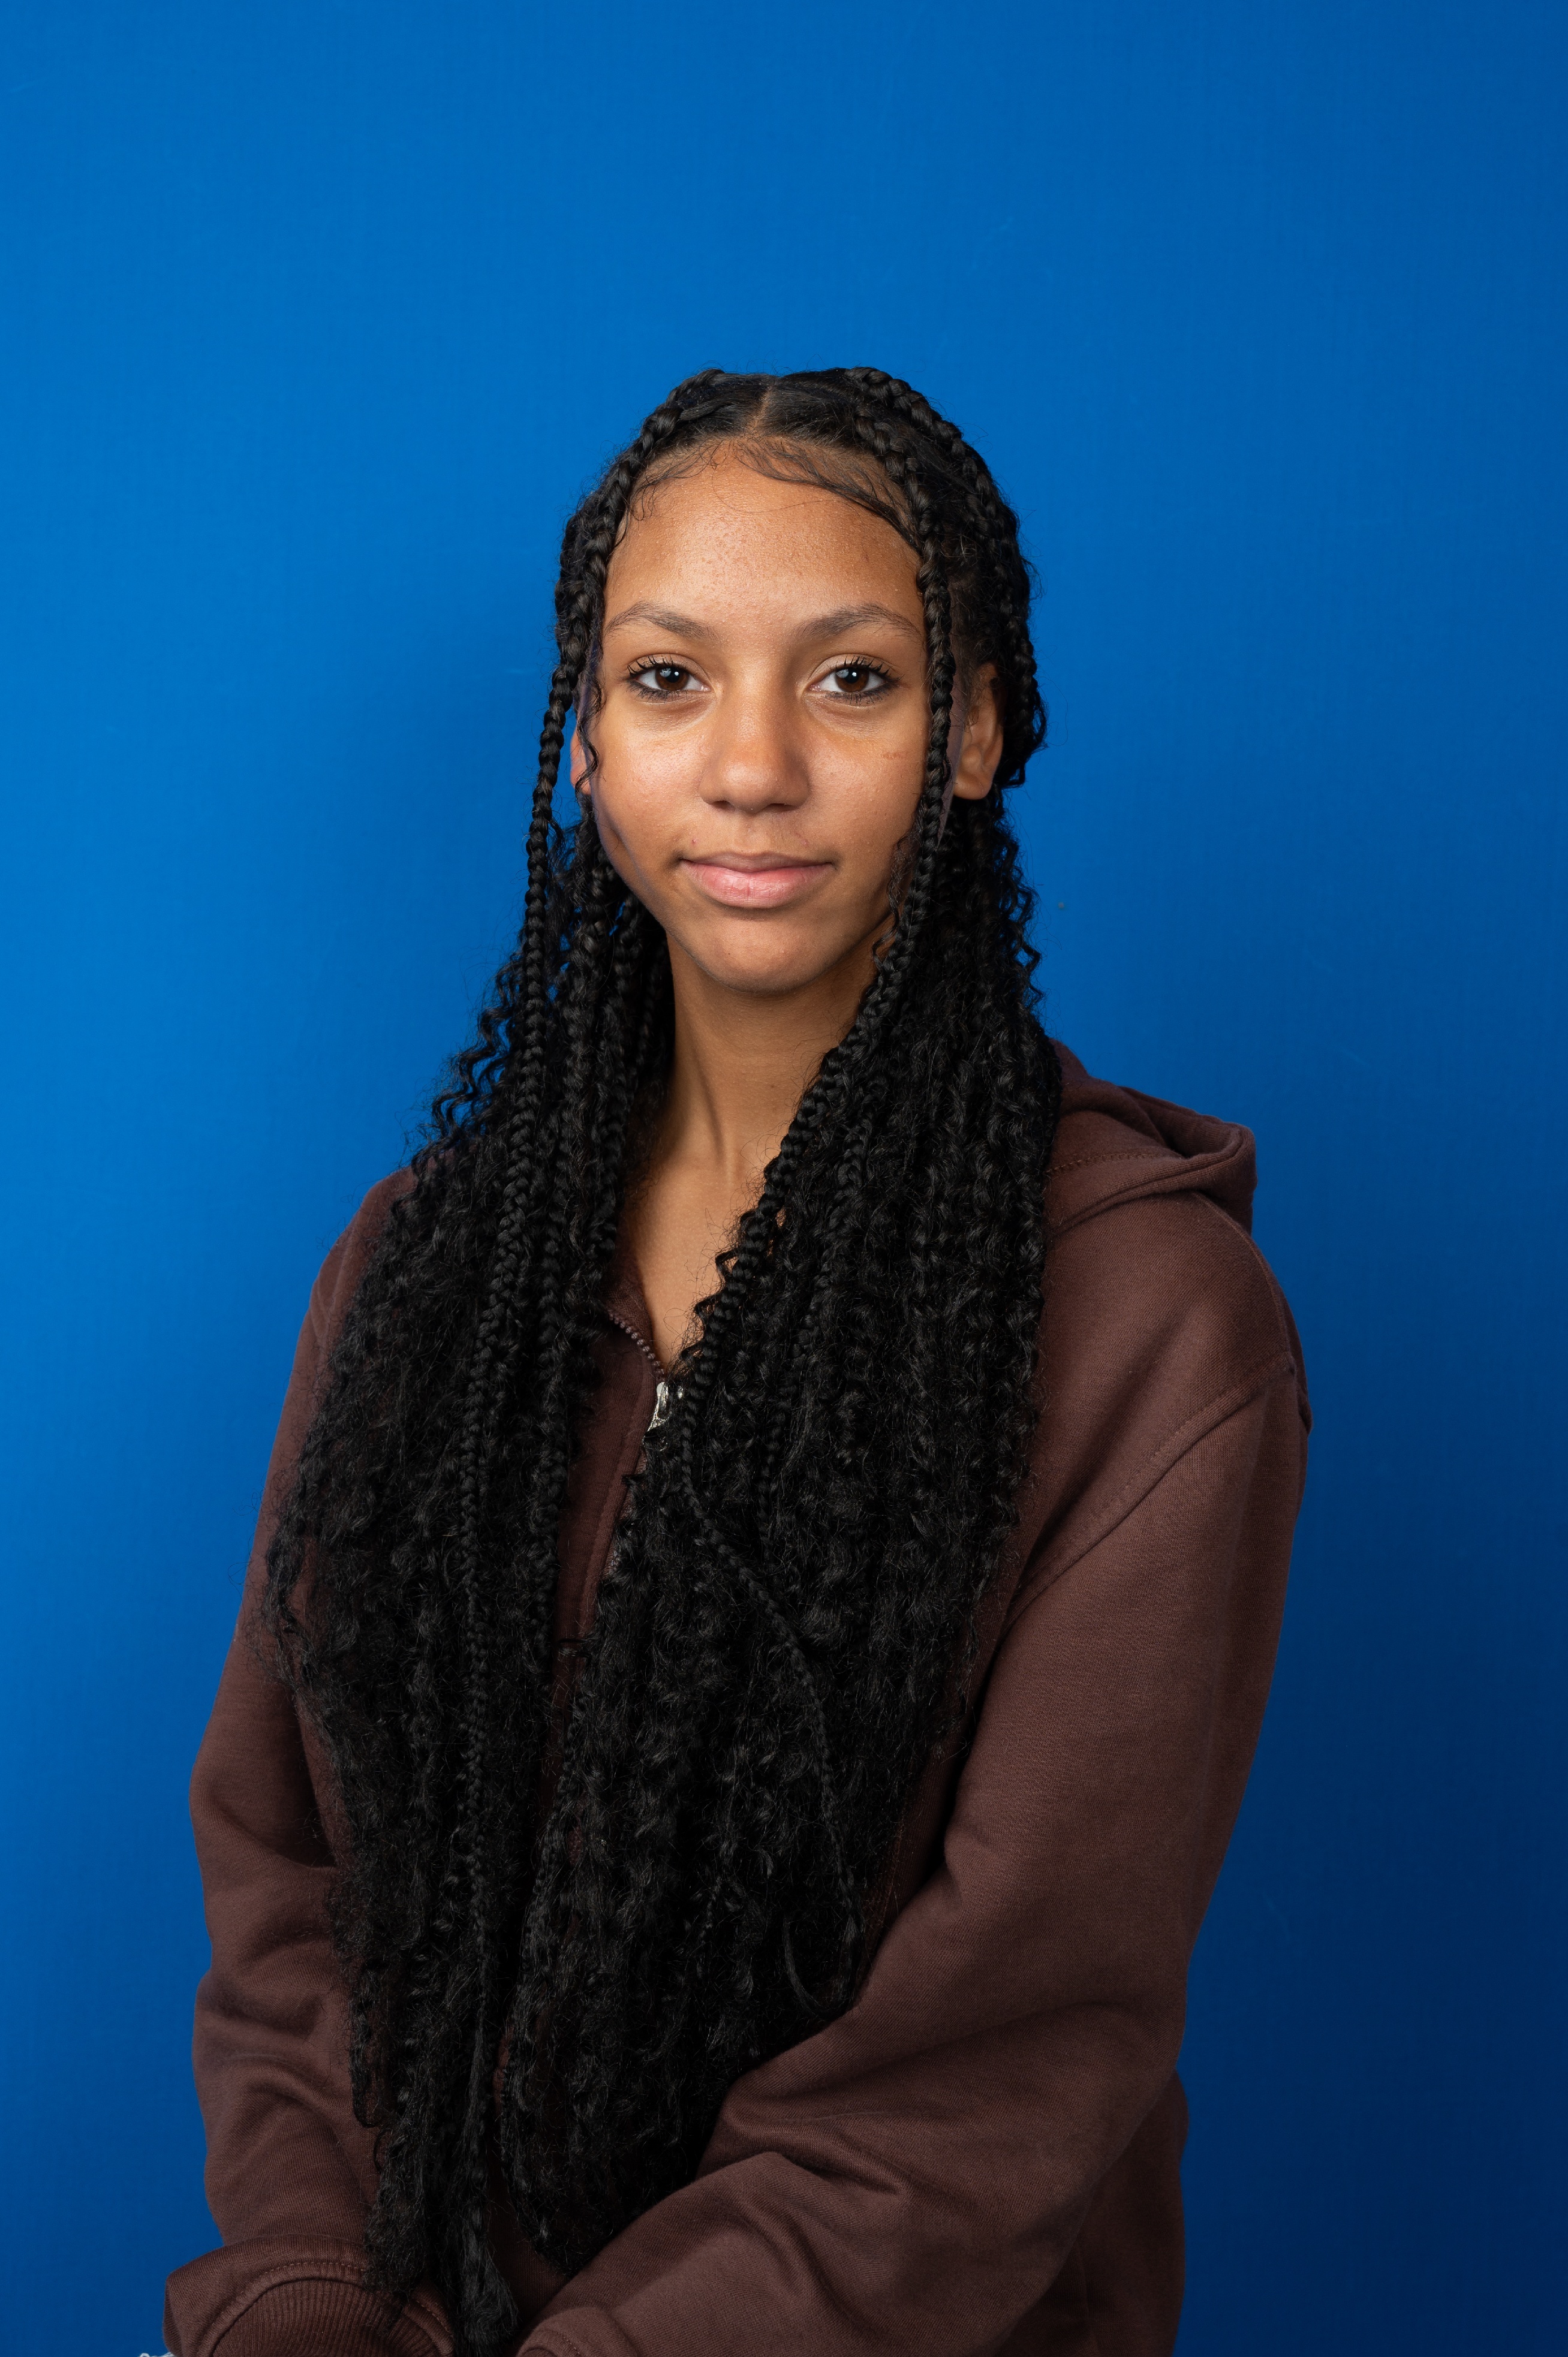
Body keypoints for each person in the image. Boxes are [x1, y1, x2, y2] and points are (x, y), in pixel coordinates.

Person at [164, 368, 1309, 2357]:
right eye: (670, 679)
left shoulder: (1152, 1328)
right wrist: (311, 2310)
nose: (754, 764)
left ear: (976, 730)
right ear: (588, 743)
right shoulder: (428, 1264)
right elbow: (291, 1884)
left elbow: (996, 2064)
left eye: (853, 680)